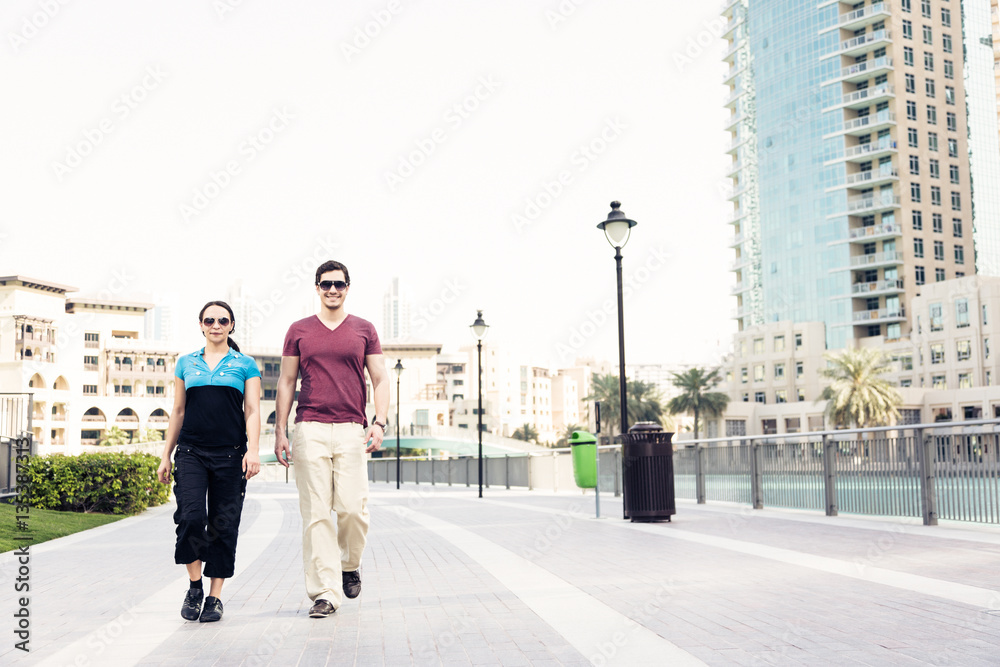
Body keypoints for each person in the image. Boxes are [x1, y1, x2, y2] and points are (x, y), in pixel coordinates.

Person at [274, 260, 388, 618]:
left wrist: (379, 422)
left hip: (353, 428)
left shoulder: (364, 329)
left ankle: (349, 563)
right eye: (326, 284)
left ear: (348, 287)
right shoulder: (299, 330)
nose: (333, 290)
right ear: (317, 288)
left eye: (339, 284)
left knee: (353, 509)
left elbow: (381, 379)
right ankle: (325, 591)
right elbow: (286, 381)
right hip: (310, 427)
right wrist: (280, 429)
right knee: (316, 513)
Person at [157, 301, 261, 623]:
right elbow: (178, 411)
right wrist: (166, 455)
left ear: (232, 325)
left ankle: (215, 597)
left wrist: (253, 450)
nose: (216, 325)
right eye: (210, 320)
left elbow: (253, 410)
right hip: (191, 452)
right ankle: (194, 586)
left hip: (231, 455)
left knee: (223, 525)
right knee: (190, 516)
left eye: (223, 320)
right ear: (201, 324)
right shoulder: (186, 363)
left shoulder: (245, 364)